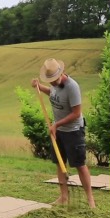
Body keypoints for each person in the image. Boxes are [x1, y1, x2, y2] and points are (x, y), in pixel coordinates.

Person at [31, 58, 96, 208]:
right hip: (58, 131)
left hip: (73, 131)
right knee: (60, 164)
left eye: (54, 80)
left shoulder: (72, 87)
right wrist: (39, 86)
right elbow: (54, 94)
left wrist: (56, 124)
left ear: (61, 73)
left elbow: (76, 113)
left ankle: (90, 199)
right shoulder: (54, 84)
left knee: (80, 164)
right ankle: (63, 197)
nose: (52, 83)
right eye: (50, 81)